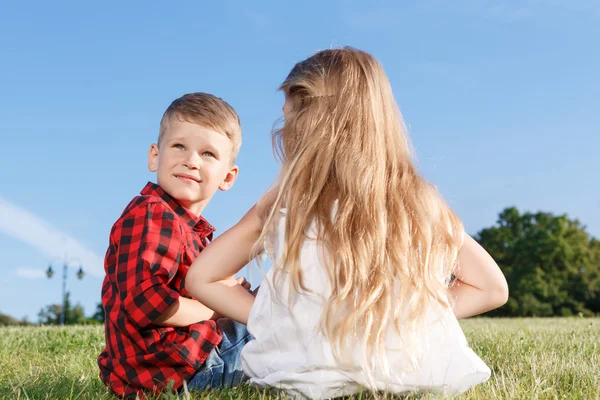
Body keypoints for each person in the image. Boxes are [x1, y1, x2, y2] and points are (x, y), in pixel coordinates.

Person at [186, 47, 509, 399]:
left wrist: (283, 319)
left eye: (287, 117)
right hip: (417, 374)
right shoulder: (419, 201)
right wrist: (407, 320)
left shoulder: (287, 201)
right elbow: (492, 289)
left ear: (307, 122)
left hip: (310, 377)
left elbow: (203, 277)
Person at [98, 92, 252, 399]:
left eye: (208, 154)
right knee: (286, 312)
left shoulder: (186, 229)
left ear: (228, 176)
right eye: (179, 146)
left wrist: (225, 294)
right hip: (183, 368)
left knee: (272, 306)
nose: (191, 160)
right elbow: (147, 301)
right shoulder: (153, 213)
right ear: (155, 155)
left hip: (175, 367)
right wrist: (216, 306)